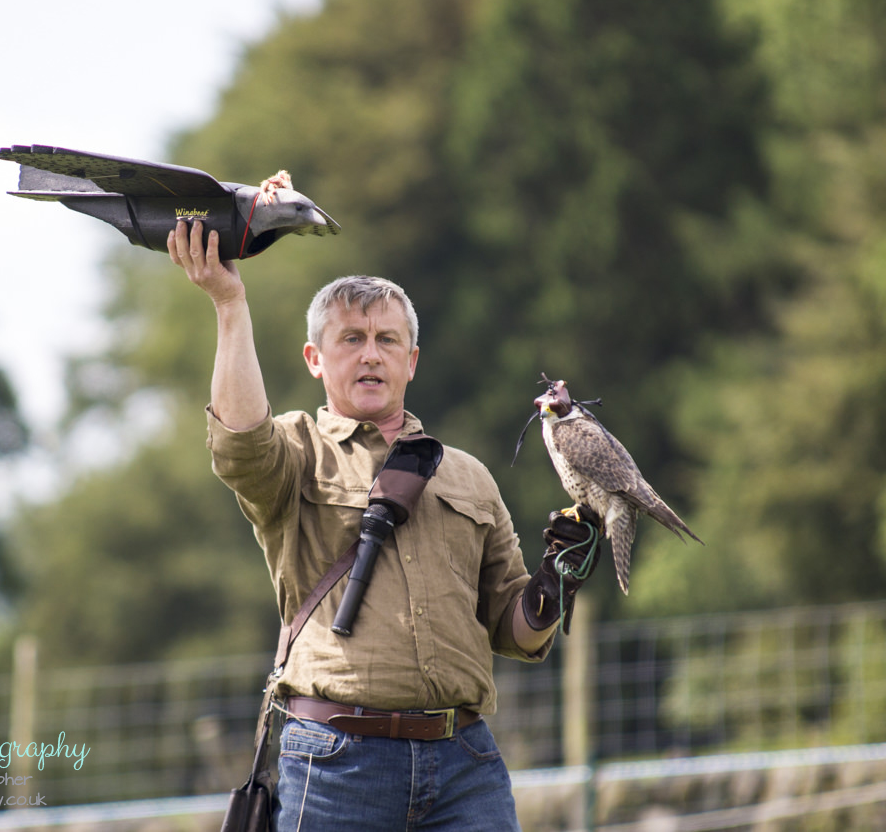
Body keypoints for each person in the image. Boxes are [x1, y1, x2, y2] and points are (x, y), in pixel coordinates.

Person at [168, 218, 601, 831]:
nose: (371, 353)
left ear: (412, 360)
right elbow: (239, 442)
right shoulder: (298, 451)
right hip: (337, 764)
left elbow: (518, 636)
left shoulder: (470, 477)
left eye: (387, 339)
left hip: (465, 765)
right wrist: (230, 303)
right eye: (350, 338)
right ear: (315, 359)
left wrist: (555, 583)